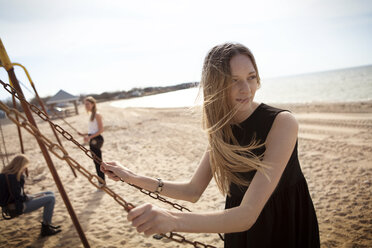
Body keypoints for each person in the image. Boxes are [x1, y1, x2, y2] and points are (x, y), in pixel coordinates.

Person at [100, 43, 320, 247]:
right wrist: (132, 177)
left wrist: (173, 219)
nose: (246, 89)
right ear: (216, 85)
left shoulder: (282, 123)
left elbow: (247, 213)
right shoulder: (222, 128)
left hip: (283, 225)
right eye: (234, 80)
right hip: (237, 228)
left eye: (251, 77)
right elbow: (192, 191)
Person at [0, 154, 62, 237]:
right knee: (50, 199)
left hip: (12, 203)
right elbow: (19, 197)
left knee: (49, 193)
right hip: (18, 206)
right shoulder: (15, 177)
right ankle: (46, 228)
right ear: (20, 166)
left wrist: (30, 197)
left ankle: (47, 224)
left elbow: (16, 194)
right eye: (25, 167)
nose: (25, 169)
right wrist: (30, 197)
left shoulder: (4, 174)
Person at [79, 96, 105, 186]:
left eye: (87, 104)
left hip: (97, 139)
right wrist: (84, 134)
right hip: (93, 138)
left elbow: (101, 130)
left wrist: (89, 137)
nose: (86, 106)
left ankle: (102, 182)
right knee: (96, 161)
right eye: (85, 104)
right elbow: (93, 130)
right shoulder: (91, 115)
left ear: (93, 104)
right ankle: (101, 181)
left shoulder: (97, 115)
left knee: (98, 161)